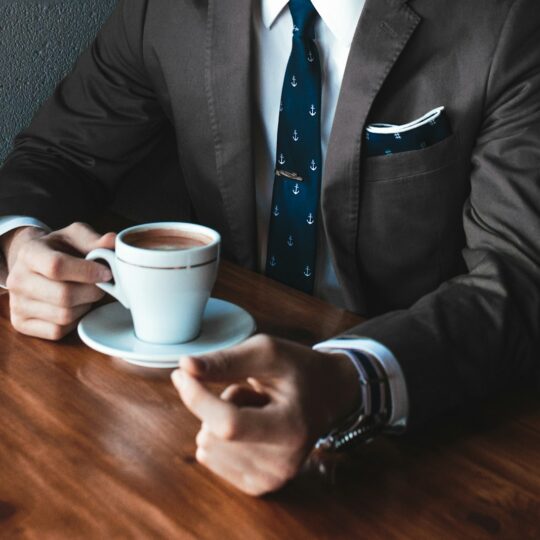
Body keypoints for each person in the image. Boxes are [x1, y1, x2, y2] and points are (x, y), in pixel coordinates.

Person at [0, 0, 539, 496]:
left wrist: (349, 379)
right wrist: (21, 244)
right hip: (182, 410)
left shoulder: (509, 20)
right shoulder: (162, 10)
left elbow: (519, 276)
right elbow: (55, 154)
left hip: (420, 441)